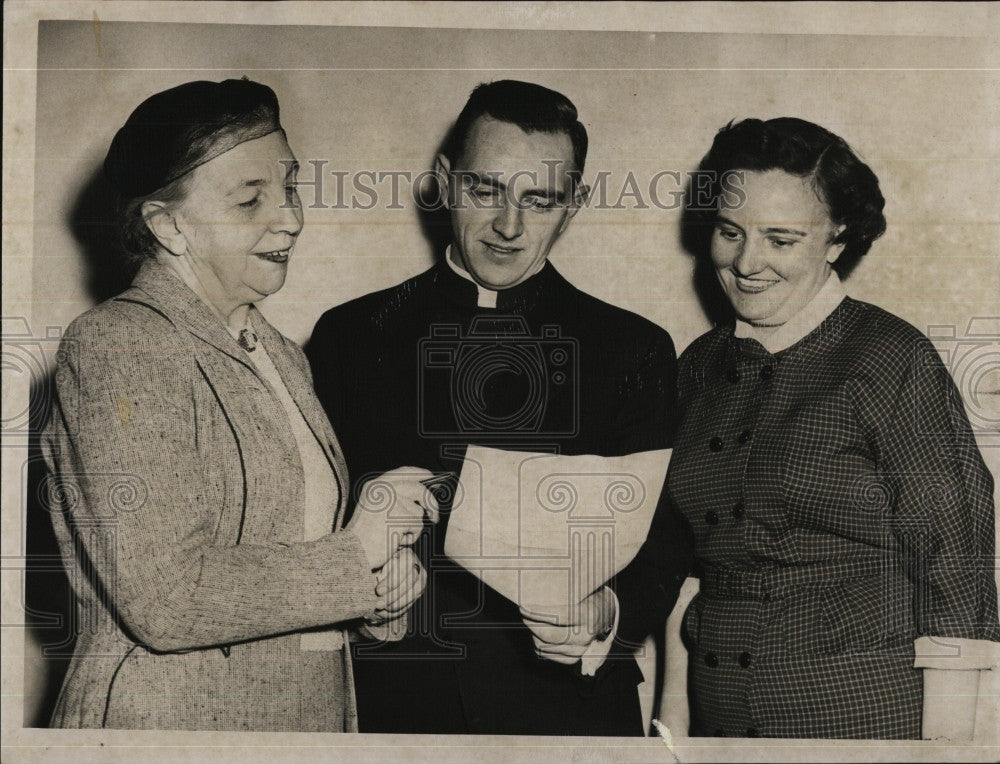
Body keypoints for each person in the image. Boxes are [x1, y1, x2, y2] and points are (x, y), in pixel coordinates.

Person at [41, 78, 438, 731]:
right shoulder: (118, 346)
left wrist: (376, 598)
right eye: (250, 199)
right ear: (167, 225)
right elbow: (166, 599)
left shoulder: (279, 351)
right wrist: (356, 552)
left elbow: (287, 570)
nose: (290, 218)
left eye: (290, 189)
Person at [307, 80, 693, 736]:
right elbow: (311, 516)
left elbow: (663, 534)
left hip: (571, 717)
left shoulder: (633, 347)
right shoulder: (353, 334)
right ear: (444, 182)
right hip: (400, 708)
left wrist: (604, 612)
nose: (509, 227)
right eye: (486, 191)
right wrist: (362, 582)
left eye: (538, 200)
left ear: (575, 204)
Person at [668, 117, 1000, 739]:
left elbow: (953, 567)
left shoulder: (891, 356)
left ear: (837, 237)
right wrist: (672, 730)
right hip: (720, 718)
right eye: (729, 231)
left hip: (860, 717)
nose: (747, 262)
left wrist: (947, 753)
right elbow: (691, 571)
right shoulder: (699, 366)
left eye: (781, 239)